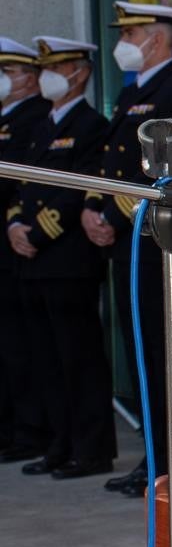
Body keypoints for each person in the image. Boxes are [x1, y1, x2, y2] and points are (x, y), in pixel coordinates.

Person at [83, 2, 172, 498]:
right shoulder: (133, 93)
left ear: (157, 39)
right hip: (127, 242)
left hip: (158, 243)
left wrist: (110, 216)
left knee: (166, 357)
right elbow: (110, 163)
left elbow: (160, 173)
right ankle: (153, 463)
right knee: (141, 357)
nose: (125, 42)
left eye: (132, 32)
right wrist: (92, 209)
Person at [7, 37, 114, 479]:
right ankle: (60, 443)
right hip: (32, 258)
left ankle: (90, 449)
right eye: (45, 67)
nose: (50, 75)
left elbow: (81, 187)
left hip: (68, 258)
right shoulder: (43, 125)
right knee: (47, 359)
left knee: (78, 358)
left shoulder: (91, 124)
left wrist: (39, 230)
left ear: (81, 72)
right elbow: (20, 186)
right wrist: (14, 225)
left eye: (59, 66)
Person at [0, 37, 51, 464]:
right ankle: (15, 427)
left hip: (21, 245)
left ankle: (31, 429)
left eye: (8, 72)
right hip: (13, 237)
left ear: (30, 79)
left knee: (24, 346)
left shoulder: (34, 117)